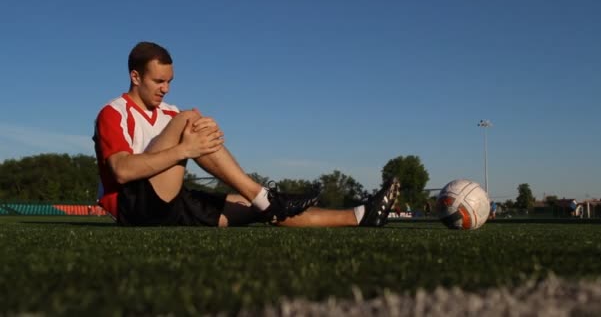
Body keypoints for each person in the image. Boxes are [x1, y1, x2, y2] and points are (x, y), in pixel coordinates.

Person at [93, 41, 400, 228]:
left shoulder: (167, 112)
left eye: (170, 81)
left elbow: (202, 143)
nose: (166, 88)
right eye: (158, 81)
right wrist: (185, 150)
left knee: (252, 207)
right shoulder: (114, 112)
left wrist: (207, 138)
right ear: (135, 76)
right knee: (190, 118)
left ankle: (360, 215)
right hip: (133, 207)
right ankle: (264, 196)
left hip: (172, 201)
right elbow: (121, 171)